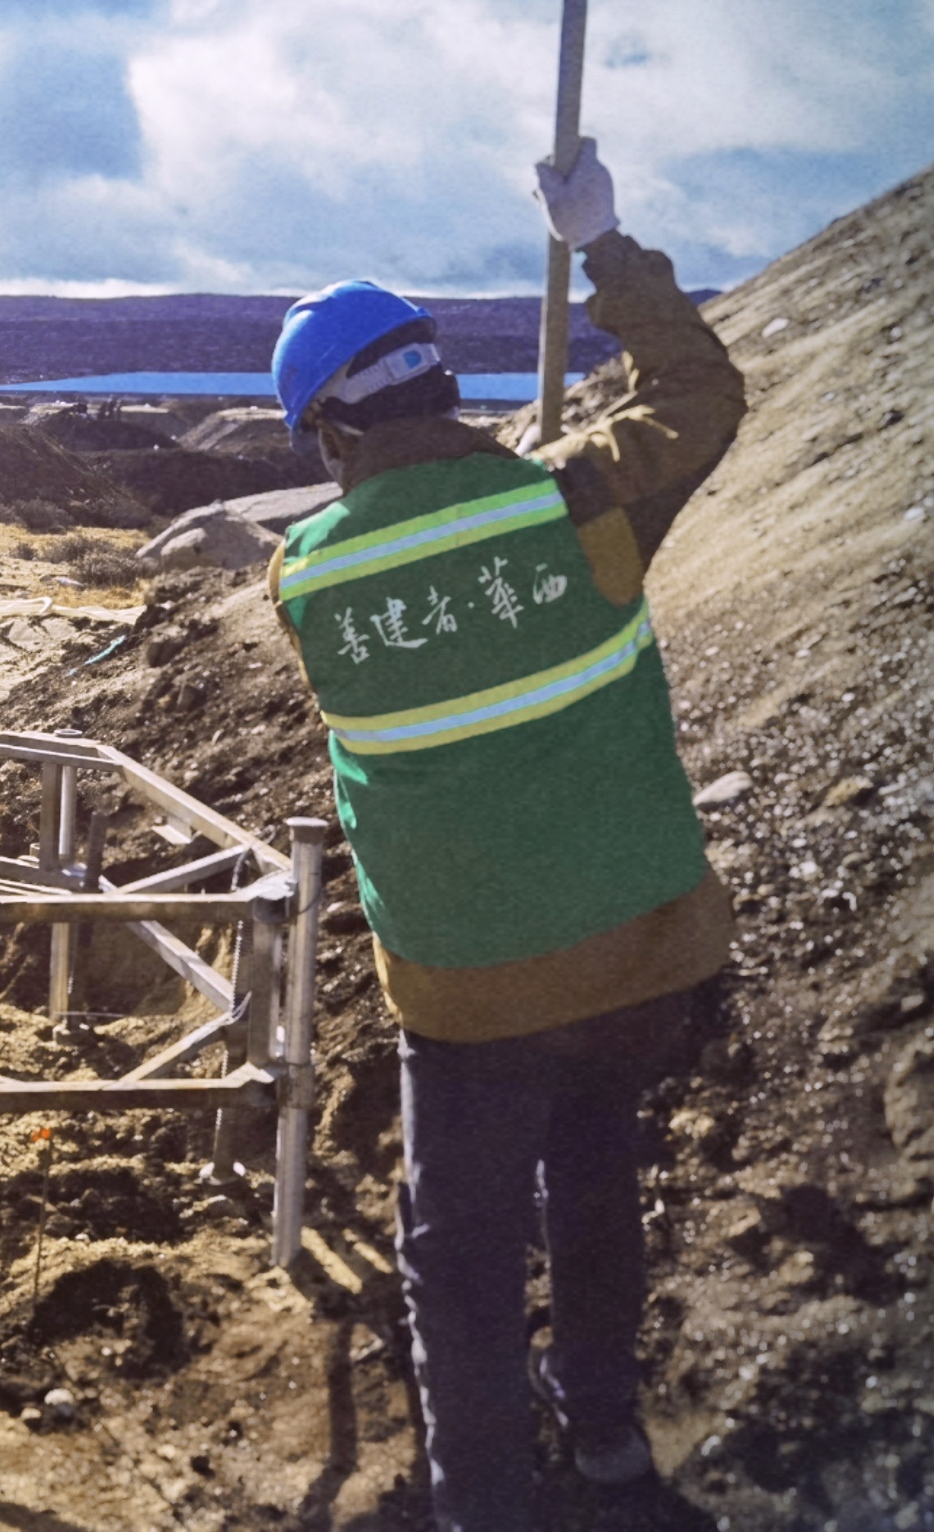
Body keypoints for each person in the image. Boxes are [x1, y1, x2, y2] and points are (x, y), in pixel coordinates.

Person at [265, 141, 744, 1531]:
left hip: (473, 995)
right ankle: (603, 1439)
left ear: (328, 437)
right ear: (442, 381)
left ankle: (483, 1504)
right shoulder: (577, 499)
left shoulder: (308, 577)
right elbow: (702, 394)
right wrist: (605, 246)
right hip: (648, 958)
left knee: (459, 1261)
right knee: (593, 1173)